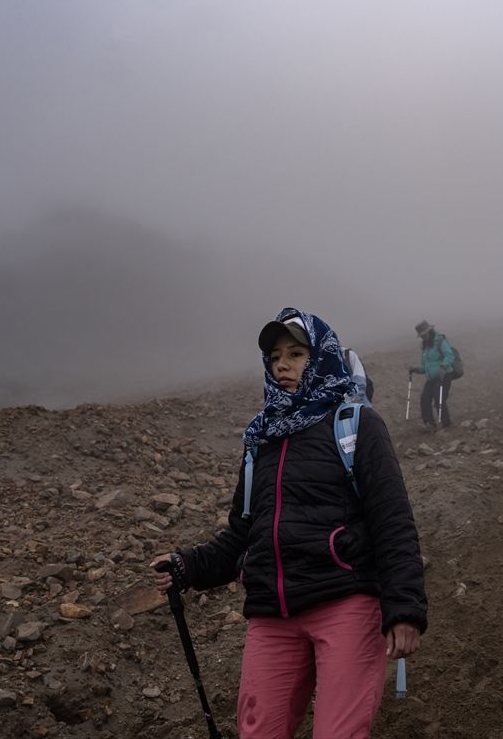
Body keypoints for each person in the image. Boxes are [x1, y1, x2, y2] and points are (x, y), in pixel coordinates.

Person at [152, 308, 427, 739]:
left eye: (297, 353)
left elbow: (392, 521)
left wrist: (404, 609)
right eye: (276, 356)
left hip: (345, 603)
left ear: (321, 358)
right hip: (273, 614)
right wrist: (189, 566)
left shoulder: (356, 425)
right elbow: (243, 535)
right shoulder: (261, 440)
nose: (283, 364)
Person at [410, 320, 456, 429]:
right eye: (421, 336)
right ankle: (429, 423)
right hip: (431, 378)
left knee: (438, 399)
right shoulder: (425, 347)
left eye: (424, 335)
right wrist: (416, 369)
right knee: (424, 399)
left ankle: (446, 424)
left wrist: (443, 366)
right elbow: (425, 367)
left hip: (443, 376)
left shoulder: (440, 341)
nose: (423, 337)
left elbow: (449, 355)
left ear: (430, 331)